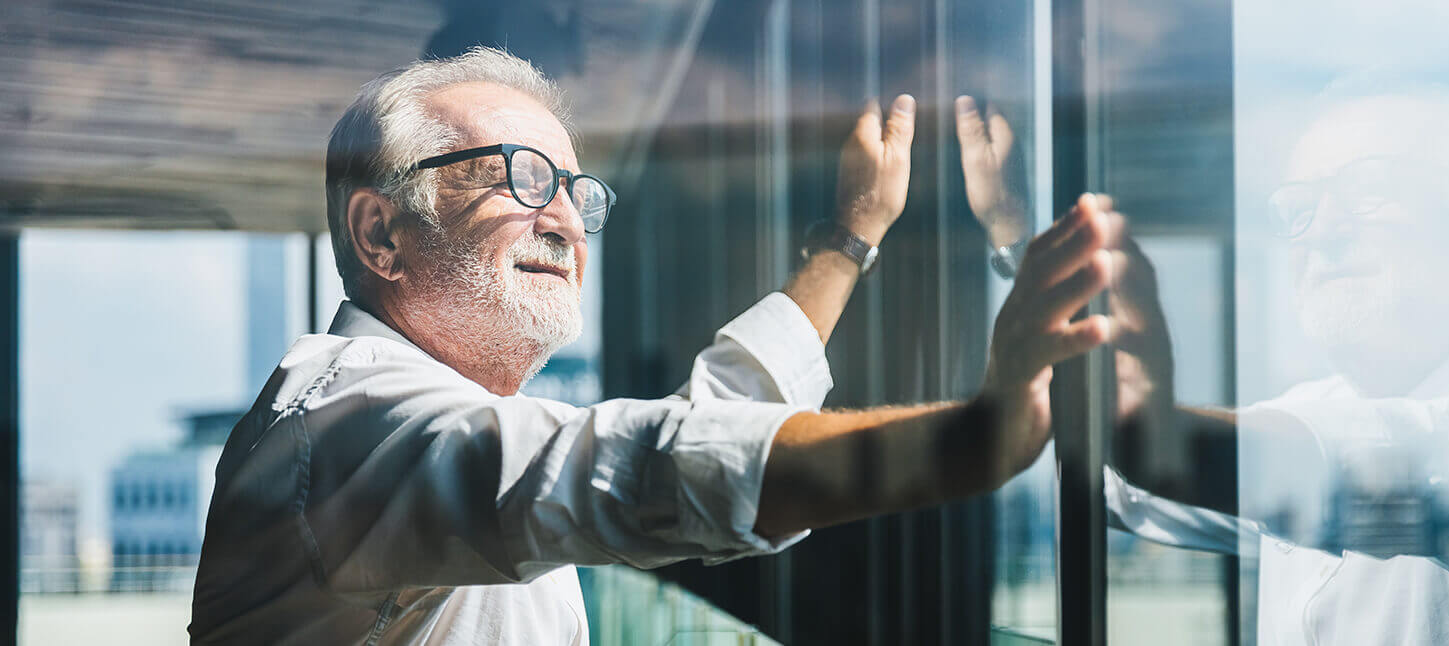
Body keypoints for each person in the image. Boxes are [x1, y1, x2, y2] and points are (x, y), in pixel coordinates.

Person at [189, 47, 1116, 645]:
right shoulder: (346, 423)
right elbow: (648, 469)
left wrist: (848, 241)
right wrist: (975, 434)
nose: (563, 216)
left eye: (574, 189)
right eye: (519, 176)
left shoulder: (452, 426)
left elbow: (697, 423)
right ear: (381, 233)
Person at [955, 77, 1449, 645]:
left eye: (1369, 190)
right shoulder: (1318, 407)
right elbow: (1118, 483)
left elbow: (1380, 462)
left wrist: (1155, 425)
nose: (1321, 230)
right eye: (1299, 210)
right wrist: (1017, 237)